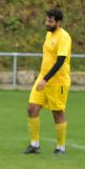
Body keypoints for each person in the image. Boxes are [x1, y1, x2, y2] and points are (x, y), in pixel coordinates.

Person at [24, 8, 72, 155]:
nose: (47, 23)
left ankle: (60, 147)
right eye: (46, 20)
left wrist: (45, 79)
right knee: (32, 109)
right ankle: (34, 144)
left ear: (58, 22)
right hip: (42, 78)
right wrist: (43, 78)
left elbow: (60, 61)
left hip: (57, 82)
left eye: (50, 21)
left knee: (57, 113)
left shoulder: (64, 37)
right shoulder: (48, 34)